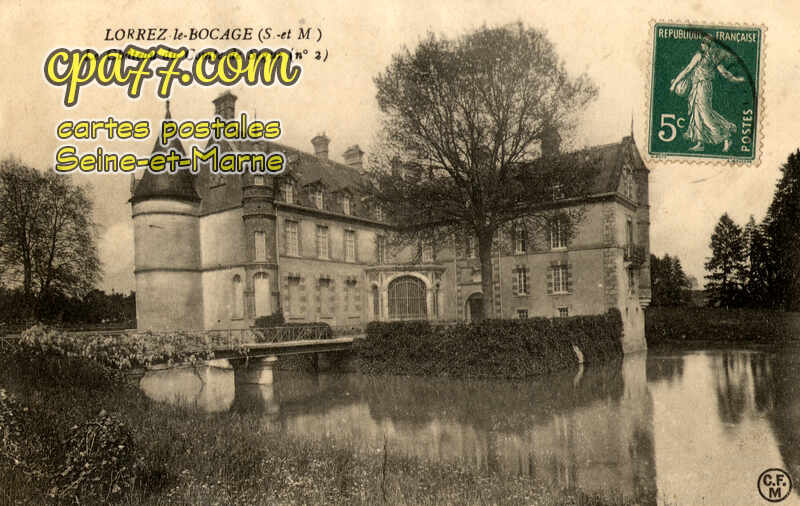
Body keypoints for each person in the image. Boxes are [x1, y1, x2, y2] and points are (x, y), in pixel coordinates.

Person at [670, 35, 745, 152]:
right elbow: (687, 70)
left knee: (705, 114)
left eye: (707, 44)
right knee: (697, 114)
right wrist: (675, 84)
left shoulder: (712, 58)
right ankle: (700, 143)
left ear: (711, 46)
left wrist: (737, 80)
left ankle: (726, 136)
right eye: (703, 43)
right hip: (697, 86)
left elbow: (724, 73)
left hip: (704, 87)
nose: (704, 45)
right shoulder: (701, 56)